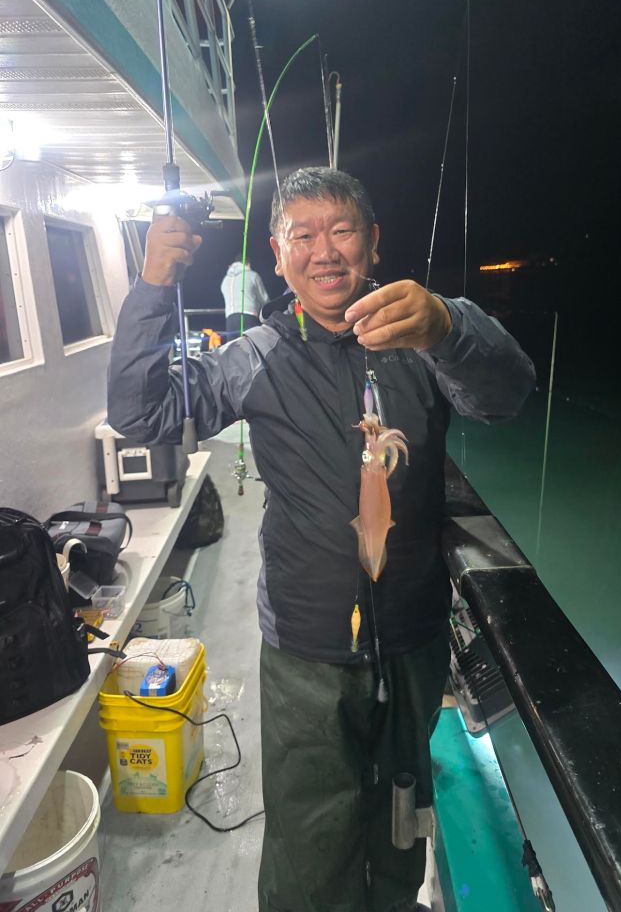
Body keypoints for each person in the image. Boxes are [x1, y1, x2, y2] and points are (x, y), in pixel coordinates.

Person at [107, 166, 536, 912]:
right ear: (278, 257)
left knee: (404, 822)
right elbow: (143, 418)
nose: (324, 250)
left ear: (372, 243)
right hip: (305, 646)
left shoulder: (423, 333)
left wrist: (450, 324)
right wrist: (149, 291)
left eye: (341, 230)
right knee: (310, 844)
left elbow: (508, 394)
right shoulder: (255, 355)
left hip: (411, 633)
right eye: (302, 235)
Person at [220, 253, 269, 333]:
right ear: (248, 264)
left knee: (233, 345)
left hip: (230, 321)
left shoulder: (225, 280)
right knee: (250, 344)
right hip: (249, 317)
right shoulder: (253, 275)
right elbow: (264, 300)